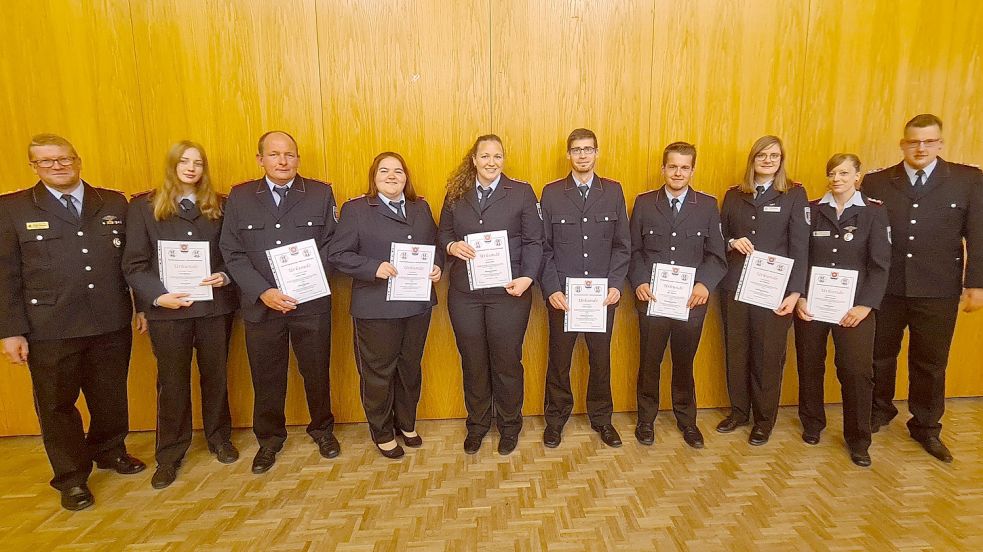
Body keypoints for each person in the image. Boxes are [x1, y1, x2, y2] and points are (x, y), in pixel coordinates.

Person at [0, 134, 146, 511]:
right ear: (33, 167)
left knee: (110, 394)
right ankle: (71, 477)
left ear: (77, 160)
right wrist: (10, 330)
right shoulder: (12, 209)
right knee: (56, 405)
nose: (57, 166)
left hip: (109, 319)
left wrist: (143, 306)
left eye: (64, 159)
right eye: (46, 162)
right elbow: (6, 275)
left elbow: (135, 261)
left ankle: (110, 450)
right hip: (50, 326)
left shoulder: (112, 202)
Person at [863, 114, 983, 463]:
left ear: (940, 144)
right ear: (902, 144)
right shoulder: (877, 182)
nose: (920, 148)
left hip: (938, 288)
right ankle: (879, 410)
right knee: (879, 356)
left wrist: (976, 283)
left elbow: (977, 235)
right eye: (914, 141)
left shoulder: (968, 180)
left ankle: (927, 426)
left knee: (930, 362)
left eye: (929, 141)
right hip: (887, 287)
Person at [219, 130, 340, 473]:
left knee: (316, 372)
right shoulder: (241, 197)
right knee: (266, 376)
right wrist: (264, 291)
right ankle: (269, 440)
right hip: (262, 306)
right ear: (261, 160)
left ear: (298, 158)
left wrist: (307, 282)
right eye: (274, 155)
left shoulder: (319, 193)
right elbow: (232, 251)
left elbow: (333, 245)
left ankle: (323, 430)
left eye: (289, 154)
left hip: (310, 304)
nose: (283, 161)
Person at [122, 141, 239, 488]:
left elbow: (232, 253)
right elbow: (134, 264)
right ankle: (170, 454)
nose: (191, 168)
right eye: (184, 162)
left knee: (216, 376)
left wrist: (226, 275)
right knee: (172, 383)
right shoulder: (144, 207)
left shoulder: (220, 205)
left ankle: (219, 438)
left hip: (214, 307)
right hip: (168, 310)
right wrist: (156, 298)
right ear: (171, 165)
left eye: (198, 163)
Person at [328, 152, 443, 458]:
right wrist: (372, 267)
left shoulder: (421, 207)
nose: (392, 176)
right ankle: (382, 431)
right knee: (378, 373)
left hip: (416, 304)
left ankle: (406, 423)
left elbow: (435, 245)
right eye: (384, 171)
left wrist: (437, 267)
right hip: (376, 308)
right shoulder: (356, 209)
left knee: (409, 369)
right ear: (374, 177)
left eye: (398, 171)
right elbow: (337, 254)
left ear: (406, 177)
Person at [438, 134, 544, 455]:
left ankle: (510, 425)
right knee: (473, 361)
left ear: (504, 159)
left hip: (509, 292)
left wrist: (527, 277)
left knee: (506, 361)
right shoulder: (457, 192)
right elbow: (443, 231)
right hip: (465, 294)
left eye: (498, 156)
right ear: (474, 160)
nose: (491, 162)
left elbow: (534, 241)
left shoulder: (522, 193)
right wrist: (451, 246)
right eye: (485, 156)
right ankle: (478, 424)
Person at [793, 153, 890, 467]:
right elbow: (800, 257)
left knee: (856, 372)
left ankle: (859, 439)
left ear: (857, 176)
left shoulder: (874, 213)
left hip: (855, 309)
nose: (837, 179)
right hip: (813, 305)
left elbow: (879, 266)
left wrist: (865, 305)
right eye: (832, 173)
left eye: (844, 173)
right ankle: (812, 423)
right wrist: (801, 296)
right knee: (810, 364)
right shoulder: (810, 210)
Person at [629, 142, 727, 448]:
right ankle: (646, 420)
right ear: (663, 168)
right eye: (673, 166)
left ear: (693, 170)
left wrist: (704, 285)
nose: (678, 172)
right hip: (653, 301)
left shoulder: (708, 205)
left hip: (690, 303)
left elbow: (717, 255)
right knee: (650, 361)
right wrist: (640, 281)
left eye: (685, 167)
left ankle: (687, 420)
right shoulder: (645, 203)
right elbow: (632, 250)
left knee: (684, 363)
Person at [539, 129, 629, 449]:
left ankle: (602, 419)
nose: (582, 155)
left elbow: (622, 246)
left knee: (601, 360)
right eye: (576, 150)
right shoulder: (551, 193)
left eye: (588, 149)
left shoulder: (614, 191)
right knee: (559, 361)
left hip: (602, 297)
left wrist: (617, 286)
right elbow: (543, 248)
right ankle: (555, 420)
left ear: (597, 152)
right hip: (563, 296)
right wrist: (551, 288)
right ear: (568, 155)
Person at [717, 135, 809, 445]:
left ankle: (764, 419)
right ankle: (739, 411)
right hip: (736, 287)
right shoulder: (734, 194)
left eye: (774, 155)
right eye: (761, 155)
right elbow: (717, 236)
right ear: (752, 159)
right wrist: (731, 242)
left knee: (768, 356)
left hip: (775, 290)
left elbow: (801, 247)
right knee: (737, 351)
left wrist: (795, 292)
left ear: (781, 160)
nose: (768, 160)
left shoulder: (794, 194)